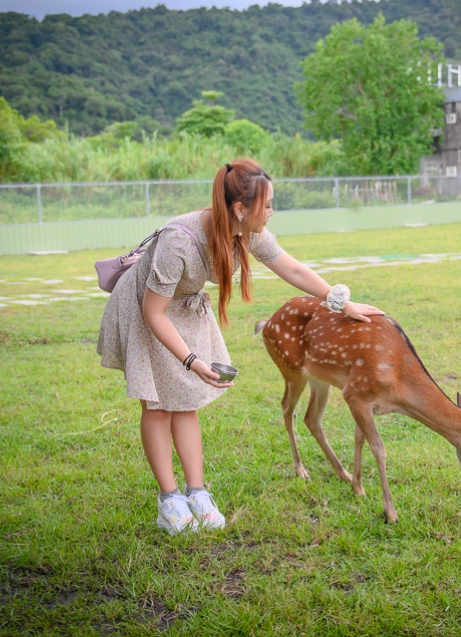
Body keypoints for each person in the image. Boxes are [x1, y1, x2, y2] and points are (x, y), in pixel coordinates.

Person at [97, 159, 384, 534]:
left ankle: (197, 493)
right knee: (157, 403)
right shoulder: (178, 241)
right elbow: (154, 312)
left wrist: (340, 301)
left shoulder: (248, 233)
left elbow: (292, 269)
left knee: (186, 401)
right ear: (240, 209)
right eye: (266, 205)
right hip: (147, 307)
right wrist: (192, 360)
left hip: (182, 306)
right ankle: (170, 501)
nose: (271, 212)